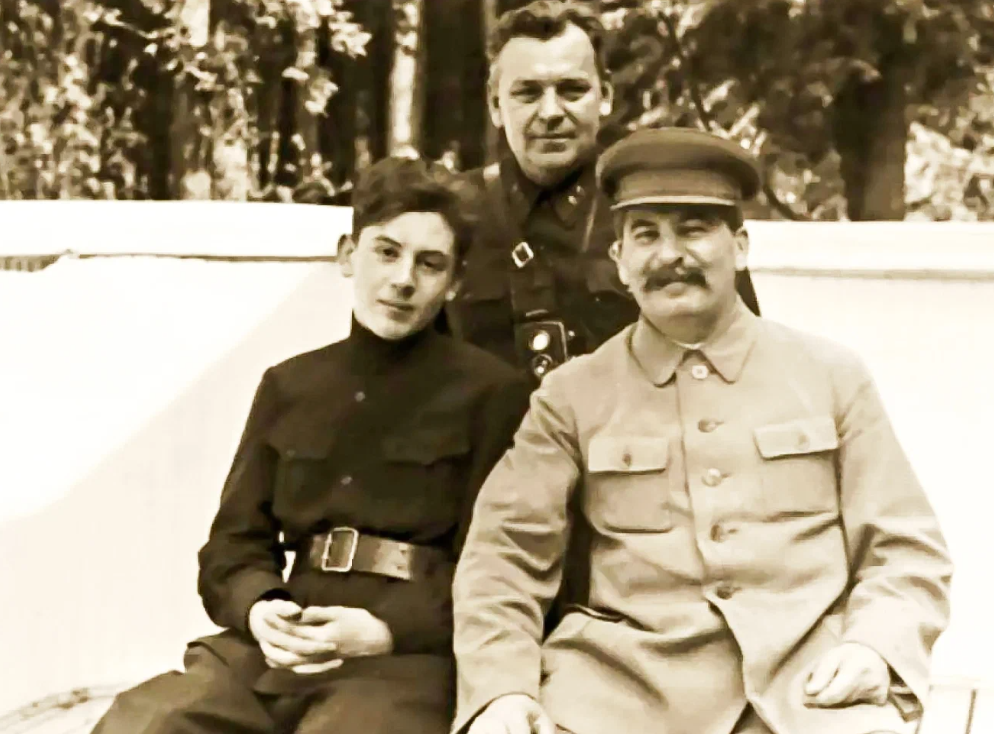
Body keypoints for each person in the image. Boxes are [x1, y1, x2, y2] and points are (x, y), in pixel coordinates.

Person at [450, 127, 953, 734]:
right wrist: (502, 690)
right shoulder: (572, 395)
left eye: (693, 229)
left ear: (740, 247)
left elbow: (904, 547)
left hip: (807, 690)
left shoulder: (830, 375)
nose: (670, 255)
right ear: (620, 261)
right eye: (645, 234)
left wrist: (873, 647)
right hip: (620, 695)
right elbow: (501, 559)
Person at [90, 156, 531, 734]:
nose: (403, 279)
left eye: (430, 264)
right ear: (348, 255)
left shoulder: (494, 394)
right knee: (145, 723)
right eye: (387, 252)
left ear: (455, 283)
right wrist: (260, 607)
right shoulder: (289, 385)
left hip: (402, 663)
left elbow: (499, 567)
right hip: (281, 648)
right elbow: (232, 545)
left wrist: (389, 630)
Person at [445, 0, 761, 384]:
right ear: (496, 105)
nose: (550, 113)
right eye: (528, 93)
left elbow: (740, 354)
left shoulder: (664, 207)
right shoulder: (452, 213)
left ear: (606, 96)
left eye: (572, 90)